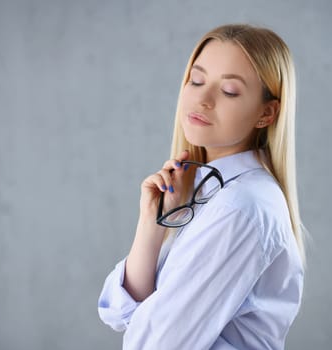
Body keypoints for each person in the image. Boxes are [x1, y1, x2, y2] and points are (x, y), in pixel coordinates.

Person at [98, 24, 306, 349]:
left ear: (266, 113)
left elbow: (155, 344)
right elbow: (119, 311)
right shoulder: (208, 193)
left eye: (230, 91)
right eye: (196, 80)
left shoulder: (239, 206)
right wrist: (152, 224)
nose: (203, 99)